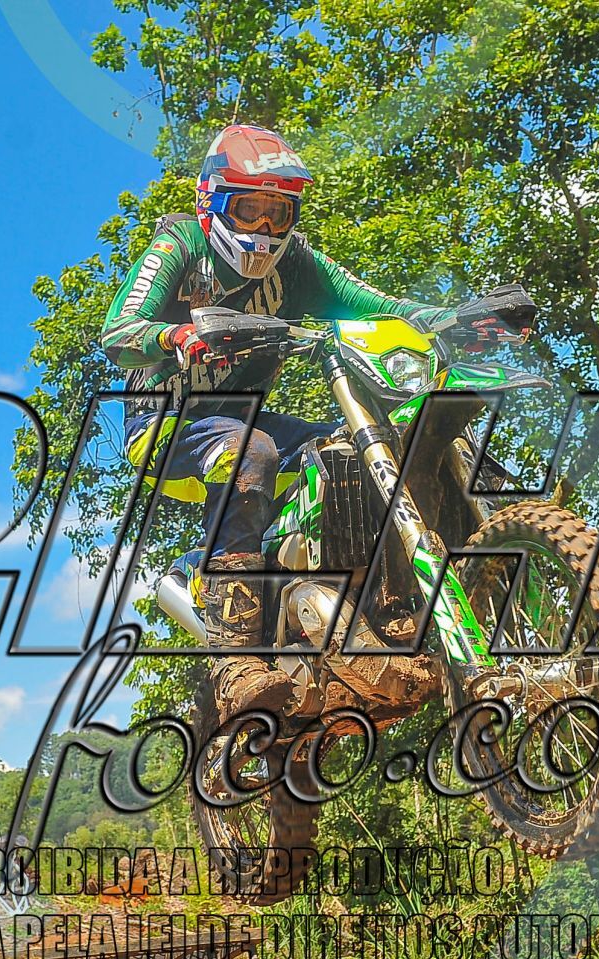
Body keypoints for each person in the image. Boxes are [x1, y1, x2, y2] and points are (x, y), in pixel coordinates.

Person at [100, 124, 512, 720]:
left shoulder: (296, 263)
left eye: (279, 213)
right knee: (252, 453)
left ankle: (356, 603)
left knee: (347, 453)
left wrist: (451, 318)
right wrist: (178, 335)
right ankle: (235, 657)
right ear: (211, 201)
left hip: (248, 419)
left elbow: (378, 304)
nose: (265, 228)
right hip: (166, 423)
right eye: (249, 209)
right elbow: (118, 332)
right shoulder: (181, 247)